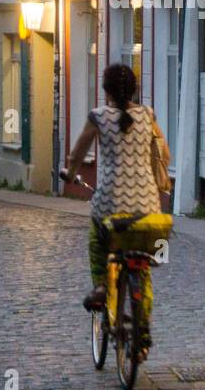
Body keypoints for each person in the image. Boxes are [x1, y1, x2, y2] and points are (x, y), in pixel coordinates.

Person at [61, 64, 167, 346]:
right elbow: (163, 152)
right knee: (141, 267)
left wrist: (70, 174)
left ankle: (100, 286)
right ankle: (142, 328)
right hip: (147, 206)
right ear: (134, 88)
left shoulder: (98, 117)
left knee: (97, 239)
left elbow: (77, 154)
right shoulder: (148, 115)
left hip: (109, 202)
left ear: (105, 90)